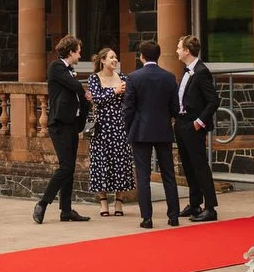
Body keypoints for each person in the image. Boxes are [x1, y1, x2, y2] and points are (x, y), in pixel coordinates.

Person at [33, 35, 91, 224]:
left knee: (70, 167)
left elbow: (79, 95)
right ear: (71, 51)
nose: (80, 55)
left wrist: (85, 103)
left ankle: (66, 210)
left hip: (72, 124)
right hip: (59, 124)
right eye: (79, 51)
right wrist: (85, 91)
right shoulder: (57, 67)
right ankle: (43, 202)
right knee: (65, 166)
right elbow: (74, 86)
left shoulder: (69, 70)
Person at [123, 40, 181, 229]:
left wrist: (128, 128)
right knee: (168, 174)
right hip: (163, 129)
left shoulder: (133, 78)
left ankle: (147, 218)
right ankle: (174, 216)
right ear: (158, 56)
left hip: (140, 130)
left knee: (143, 176)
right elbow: (175, 107)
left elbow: (128, 108)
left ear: (141, 56)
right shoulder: (169, 77)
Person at [174, 34, 220, 222]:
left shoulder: (201, 71)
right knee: (188, 166)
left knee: (200, 166)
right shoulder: (187, 71)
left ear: (186, 51)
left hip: (193, 125)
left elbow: (213, 101)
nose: (176, 51)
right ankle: (194, 205)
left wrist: (199, 122)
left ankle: (210, 207)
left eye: (179, 48)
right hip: (182, 123)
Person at [84, 47, 134, 216]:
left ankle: (119, 202)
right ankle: (103, 202)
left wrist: (125, 93)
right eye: (111, 57)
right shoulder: (94, 78)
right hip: (101, 127)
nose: (115, 60)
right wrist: (114, 91)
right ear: (103, 60)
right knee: (101, 162)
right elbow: (96, 98)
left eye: (116, 57)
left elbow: (130, 100)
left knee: (121, 161)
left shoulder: (123, 78)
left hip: (120, 125)